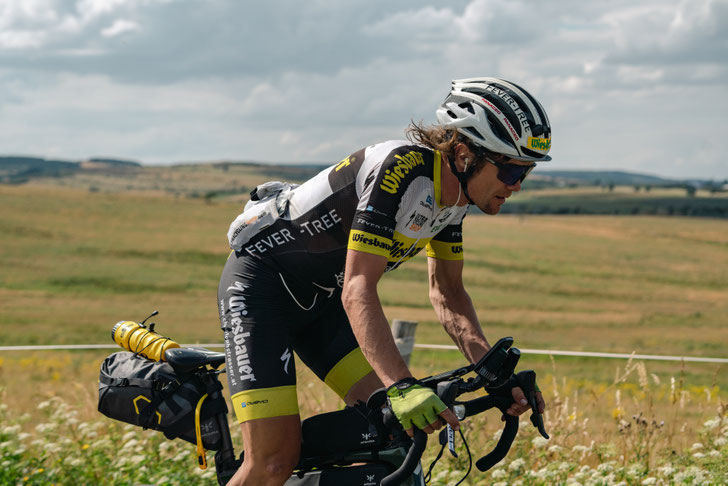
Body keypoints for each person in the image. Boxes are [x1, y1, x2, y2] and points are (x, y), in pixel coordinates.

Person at [218, 77, 551, 485]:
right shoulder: (403, 169)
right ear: (464, 155)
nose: (517, 186)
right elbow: (358, 286)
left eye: (527, 172)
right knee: (271, 461)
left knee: (390, 433)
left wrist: (493, 374)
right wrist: (402, 385)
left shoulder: (455, 202)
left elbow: (448, 295)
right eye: (512, 169)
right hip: (261, 291)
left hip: (320, 303)